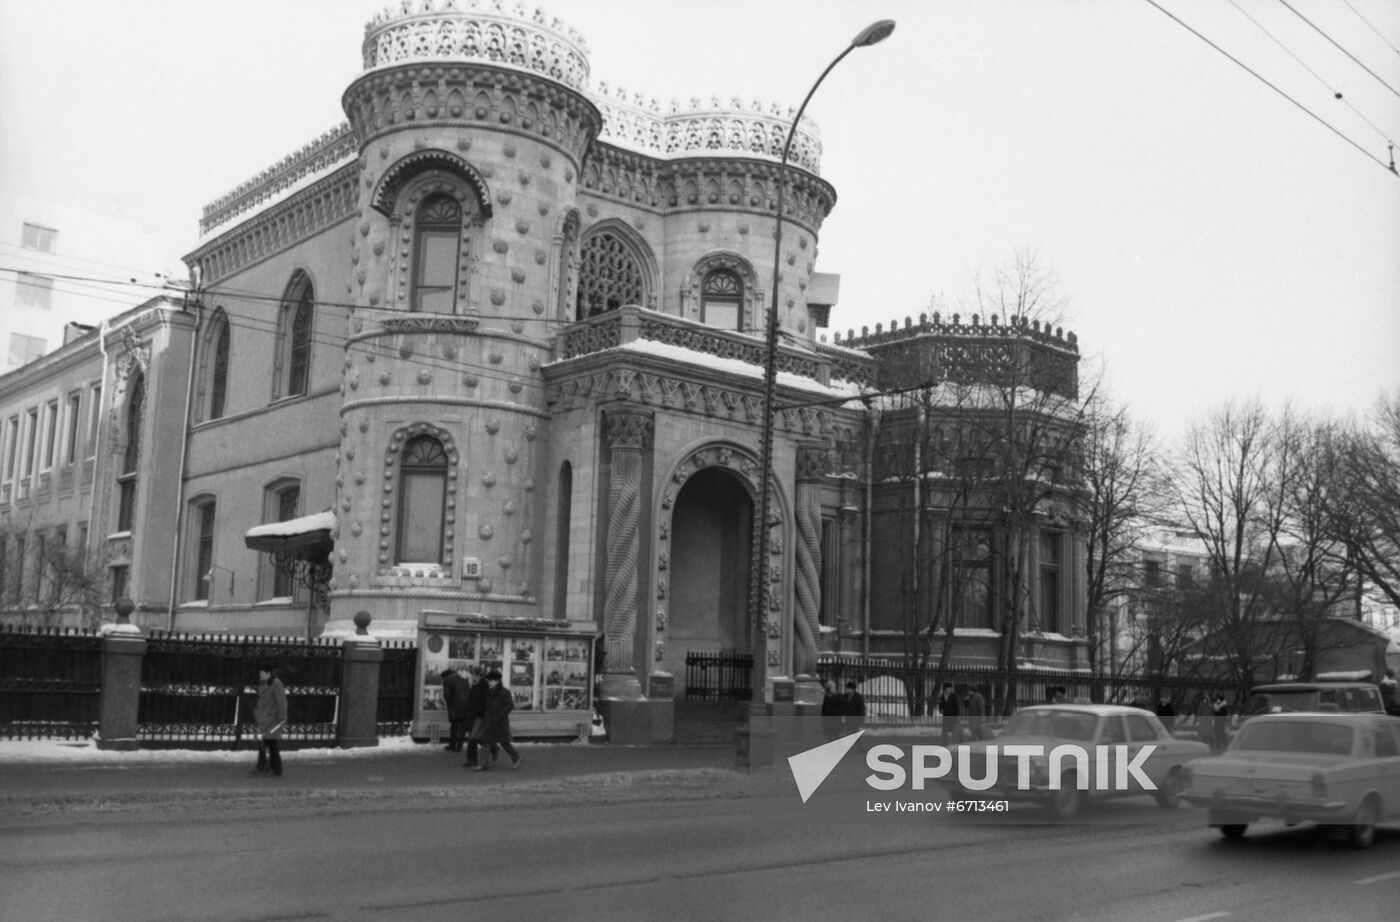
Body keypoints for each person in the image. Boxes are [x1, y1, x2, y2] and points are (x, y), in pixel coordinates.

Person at [473, 670, 522, 771]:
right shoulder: (489, 692)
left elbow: (509, 706)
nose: (489, 683)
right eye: (489, 681)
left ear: (497, 681)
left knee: (505, 743)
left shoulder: (504, 692)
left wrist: (500, 716)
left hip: (499, 723)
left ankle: (516, 757)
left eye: (491, 681)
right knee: (485, 741)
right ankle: (484, 765)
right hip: (489, 722)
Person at [252, 665, 288, 777]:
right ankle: (266, 766)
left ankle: (273, 768)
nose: (260, 675)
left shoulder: (276, 683)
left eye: (262, 673)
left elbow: (281, 701)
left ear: (268, 673)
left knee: (270, 743)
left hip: (271, 719)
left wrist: (283, 718)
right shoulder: (264, 684)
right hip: (264, 718)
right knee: (264, 742)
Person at [462, 666, 489, 768]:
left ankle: (473, 759)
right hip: (471, 714)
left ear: (478, 675)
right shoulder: (474, 684)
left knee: (472, 737)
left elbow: (484, 699)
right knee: (472, 737)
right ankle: (471, 759)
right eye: (471, 674)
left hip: (479, 715)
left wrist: (480, 711)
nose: (472, 676)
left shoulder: (483, 684)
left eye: (473, 674)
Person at [441, 666, 471, 752]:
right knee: (462, 726)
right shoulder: (464, 678)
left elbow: (446, 694)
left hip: (454, 705)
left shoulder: (447, 680)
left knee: (454, 725)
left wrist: (450, 704)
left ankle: (452, 745)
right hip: (465, 705)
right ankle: (459, 746)